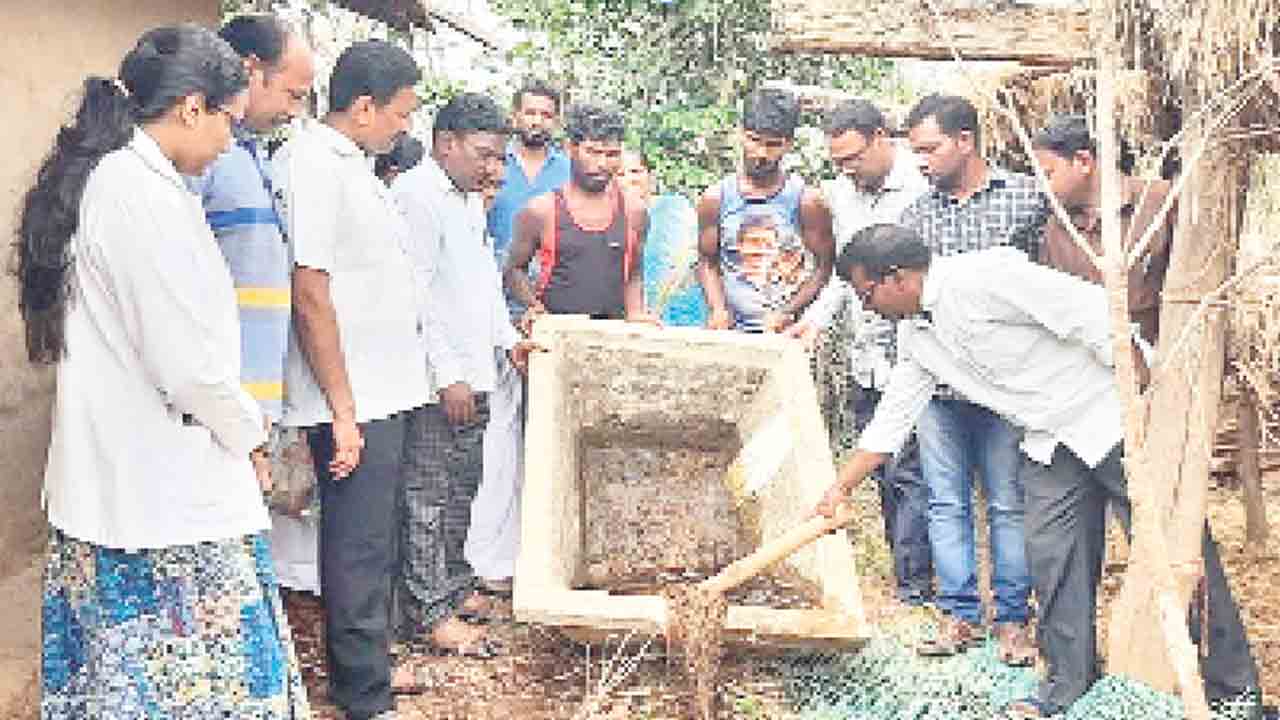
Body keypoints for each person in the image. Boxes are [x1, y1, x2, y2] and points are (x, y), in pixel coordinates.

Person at [815, 224, 1261, 720]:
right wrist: (840, 488)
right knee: (1054, 559)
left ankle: (1232, 691)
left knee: (1177, 554)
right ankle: (1067, 685)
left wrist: (1144, 395)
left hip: (1112, 416)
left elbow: (1090, 311)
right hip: (1049, 438)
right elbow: (893, 418)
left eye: (866, 293)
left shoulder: (982, 277)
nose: (867, 307)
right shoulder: (916, 336)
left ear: (897, 277)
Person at [18, 24, 310, 718]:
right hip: (162, 503)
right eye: (228, 121)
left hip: (141, 485)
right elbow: (187, 367)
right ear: (191, 107)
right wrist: (250, 433)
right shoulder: (136, 195)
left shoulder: (133, 182)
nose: (230, 142)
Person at [273, 40, 427, 720]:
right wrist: (342, 409)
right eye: (401, 112)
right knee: (357, 543)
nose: (405, 126)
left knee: (373, 538)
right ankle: (363, 696)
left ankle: (369, 669)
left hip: (381, 391)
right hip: (354, 395)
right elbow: (310, 291)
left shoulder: (351, 164)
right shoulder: (312, 164)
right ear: (363, 106)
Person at [897, 93, 1046, 662]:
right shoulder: (916, 217)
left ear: (966, 140)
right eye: (916, 152)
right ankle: (959, 615)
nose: (922, 161)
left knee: (1008, 502)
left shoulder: (1025, 200)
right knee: (945, 502)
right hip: (939, 389)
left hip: (1006, 387)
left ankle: (1012, 620)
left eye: (930, 148)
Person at [391, 93, 537, 655]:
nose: (494, 170)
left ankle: (453, 587)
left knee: (462, 488)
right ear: (445, 143)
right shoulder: (415, 197)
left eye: (500, 157)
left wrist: (509, 343)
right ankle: (427, 613)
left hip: (478, 370)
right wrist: (446, 374)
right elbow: (414, 295)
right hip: (440, 381)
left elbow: (483, 286)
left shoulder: (469, 201)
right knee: (428, 495)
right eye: (485, 155)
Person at [784, 98, 933, 605]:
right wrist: (814, 322)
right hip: (866, 354)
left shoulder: (921, 185)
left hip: (913, 349)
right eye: (838, 162)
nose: (847, 169)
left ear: (881, 138)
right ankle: (905, 573)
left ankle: (918, 585)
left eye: (854, 158)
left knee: (911, 470)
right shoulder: (841, 196)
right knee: (886, 472)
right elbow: (843, 278)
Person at [190, 14, 318, 593]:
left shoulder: (252, 157)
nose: (294, 110)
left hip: (250, 408)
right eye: (290, 93)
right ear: (249, 72)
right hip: (212, 405)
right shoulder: (202, 161)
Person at [696, 88, 834, 333]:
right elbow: (707, 261)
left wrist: (789, 311)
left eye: (773, 145)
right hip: (732, 331)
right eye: (754, 140)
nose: (762, 153)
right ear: (740, 134)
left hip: (788, 332)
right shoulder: (716, 199)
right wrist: (718, 309)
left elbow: (825, 268)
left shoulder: (806, 202)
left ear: (789, 144)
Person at [504, 103, 656, 325]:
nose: (602, 164)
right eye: (592, 152)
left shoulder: (634, 211)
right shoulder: (541, 211)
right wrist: (535, 309)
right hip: (557, 333)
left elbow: (633, 271)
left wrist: (636, 313)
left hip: (613, 333)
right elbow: (514, 269)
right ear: (570, 149)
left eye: (612, 154)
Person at [1032, 114, 1173, 347]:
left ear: (1083, 162)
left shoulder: (1161, 201)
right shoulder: (1055, 230)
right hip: (1091, 361)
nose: (1041, 187)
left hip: (1164, 356)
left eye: (1048, 175)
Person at [617, 149, 708, 326]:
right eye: (620, 174)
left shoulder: (674, 209)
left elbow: (688, 259)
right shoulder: (608, 220)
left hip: (685, 314)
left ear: (649, 176)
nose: (629, 179)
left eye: (636, 171)